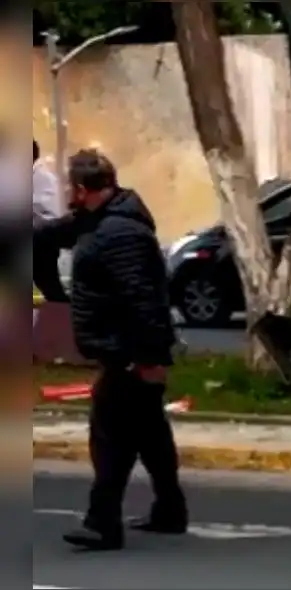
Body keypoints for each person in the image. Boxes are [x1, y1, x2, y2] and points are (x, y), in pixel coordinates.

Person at [59, 149, 188, 551]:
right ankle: (169, 510)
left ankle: (102, 523)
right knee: (150, 434)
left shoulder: (119, 234)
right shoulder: (106, 223)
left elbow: (143, 297)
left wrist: (150, 357)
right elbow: (58, 231)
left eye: (71, 187)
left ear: (81, 189)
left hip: (129, 352)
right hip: (127, 349)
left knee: (110, 436)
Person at [33, 139, 70, 302]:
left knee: (50, 287)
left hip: (41, 245)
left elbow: (52, 214)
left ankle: (63, 319)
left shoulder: (44, 179)